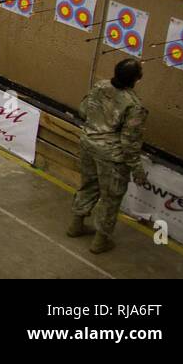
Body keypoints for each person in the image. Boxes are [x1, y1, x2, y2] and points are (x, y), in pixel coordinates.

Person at [69, 58, 148, 254]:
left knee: (88, 185)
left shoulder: (100, 86)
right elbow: (130, 142)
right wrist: (137, 169)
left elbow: (83, 110)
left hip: (88, 144)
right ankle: (100, 241)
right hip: (111, 156)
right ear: (136, 79)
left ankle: (76, 225)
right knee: (110, 198)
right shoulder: (135, 106)